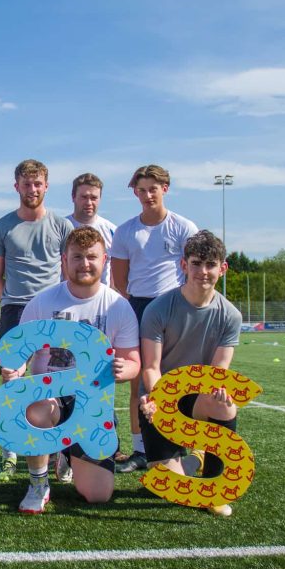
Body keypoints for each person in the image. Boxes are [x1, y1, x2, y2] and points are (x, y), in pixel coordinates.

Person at [1, 227, 141, 514]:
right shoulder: (43, 301)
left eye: (91, 257)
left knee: (97, 495)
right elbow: (21, 351)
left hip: (93, 403)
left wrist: (123, 369)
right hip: (51, 395)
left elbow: (134, 362)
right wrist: (14, 369)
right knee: (34, 403)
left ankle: (66, 452)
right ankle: (38, 484)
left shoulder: (118, 306)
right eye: (77, 257)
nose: (85, 263)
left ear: (105, 260)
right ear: (64, 259)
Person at [138, 230, 241, 517]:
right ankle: (187, 461)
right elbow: (151, 367)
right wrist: (160, 404)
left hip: (196, 398)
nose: (203, 272)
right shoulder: (159, 308)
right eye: (196, 263)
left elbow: (218, 371)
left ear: (222, 268)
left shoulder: (230, 315)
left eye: (210, 265)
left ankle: (213, 488)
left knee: (224, 402)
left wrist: (219, 392)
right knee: (170, 490)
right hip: (158, 399)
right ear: (184, 266)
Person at [0, 159, 73, 481]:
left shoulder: (62, 226)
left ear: (46, 186)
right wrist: (10, 302)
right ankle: (10, 452)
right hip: (15, 310)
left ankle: (63, 453)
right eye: (26, 184)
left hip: (55, 312)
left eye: (37, 184)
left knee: (59, 379)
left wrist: (57, 305)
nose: (32, 189)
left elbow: (68, 274)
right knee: (12, 380)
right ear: (17, 186)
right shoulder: (1, 227)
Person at [109, 165, 197, 474]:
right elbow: (118, 280)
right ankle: (140, 450)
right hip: (139, 309)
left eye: (153, 189)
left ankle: (181, 446)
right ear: (134, 192)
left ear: (165, 189)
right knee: (140, 385)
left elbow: (194, 272)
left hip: (176, 309)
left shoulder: (185, 227)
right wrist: (133, 311)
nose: (147, 195)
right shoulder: (126, 231)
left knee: (179, 382)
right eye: (141, 190)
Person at [65, 172, 116, 286]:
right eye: (84, 197)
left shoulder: (112, 231)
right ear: (73, 197)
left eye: (93, 198)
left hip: (100, 298)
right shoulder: (60, 228)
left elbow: (115, 272)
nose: (89, 203)